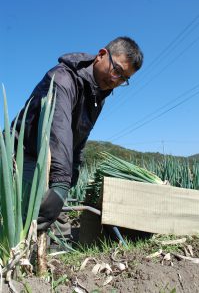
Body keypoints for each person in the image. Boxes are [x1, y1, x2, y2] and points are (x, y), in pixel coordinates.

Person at [12, 36, 144, 231]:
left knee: (60, 227)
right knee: (30, 217)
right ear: (101, 55)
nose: (116, 80)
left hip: (50, 160)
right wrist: (60, 184)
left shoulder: (98, 95)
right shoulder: (63, 78)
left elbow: (80, 137)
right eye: (117, 70)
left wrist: (72, 173)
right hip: (23, 152)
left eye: (124, 78)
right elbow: (59, 130)